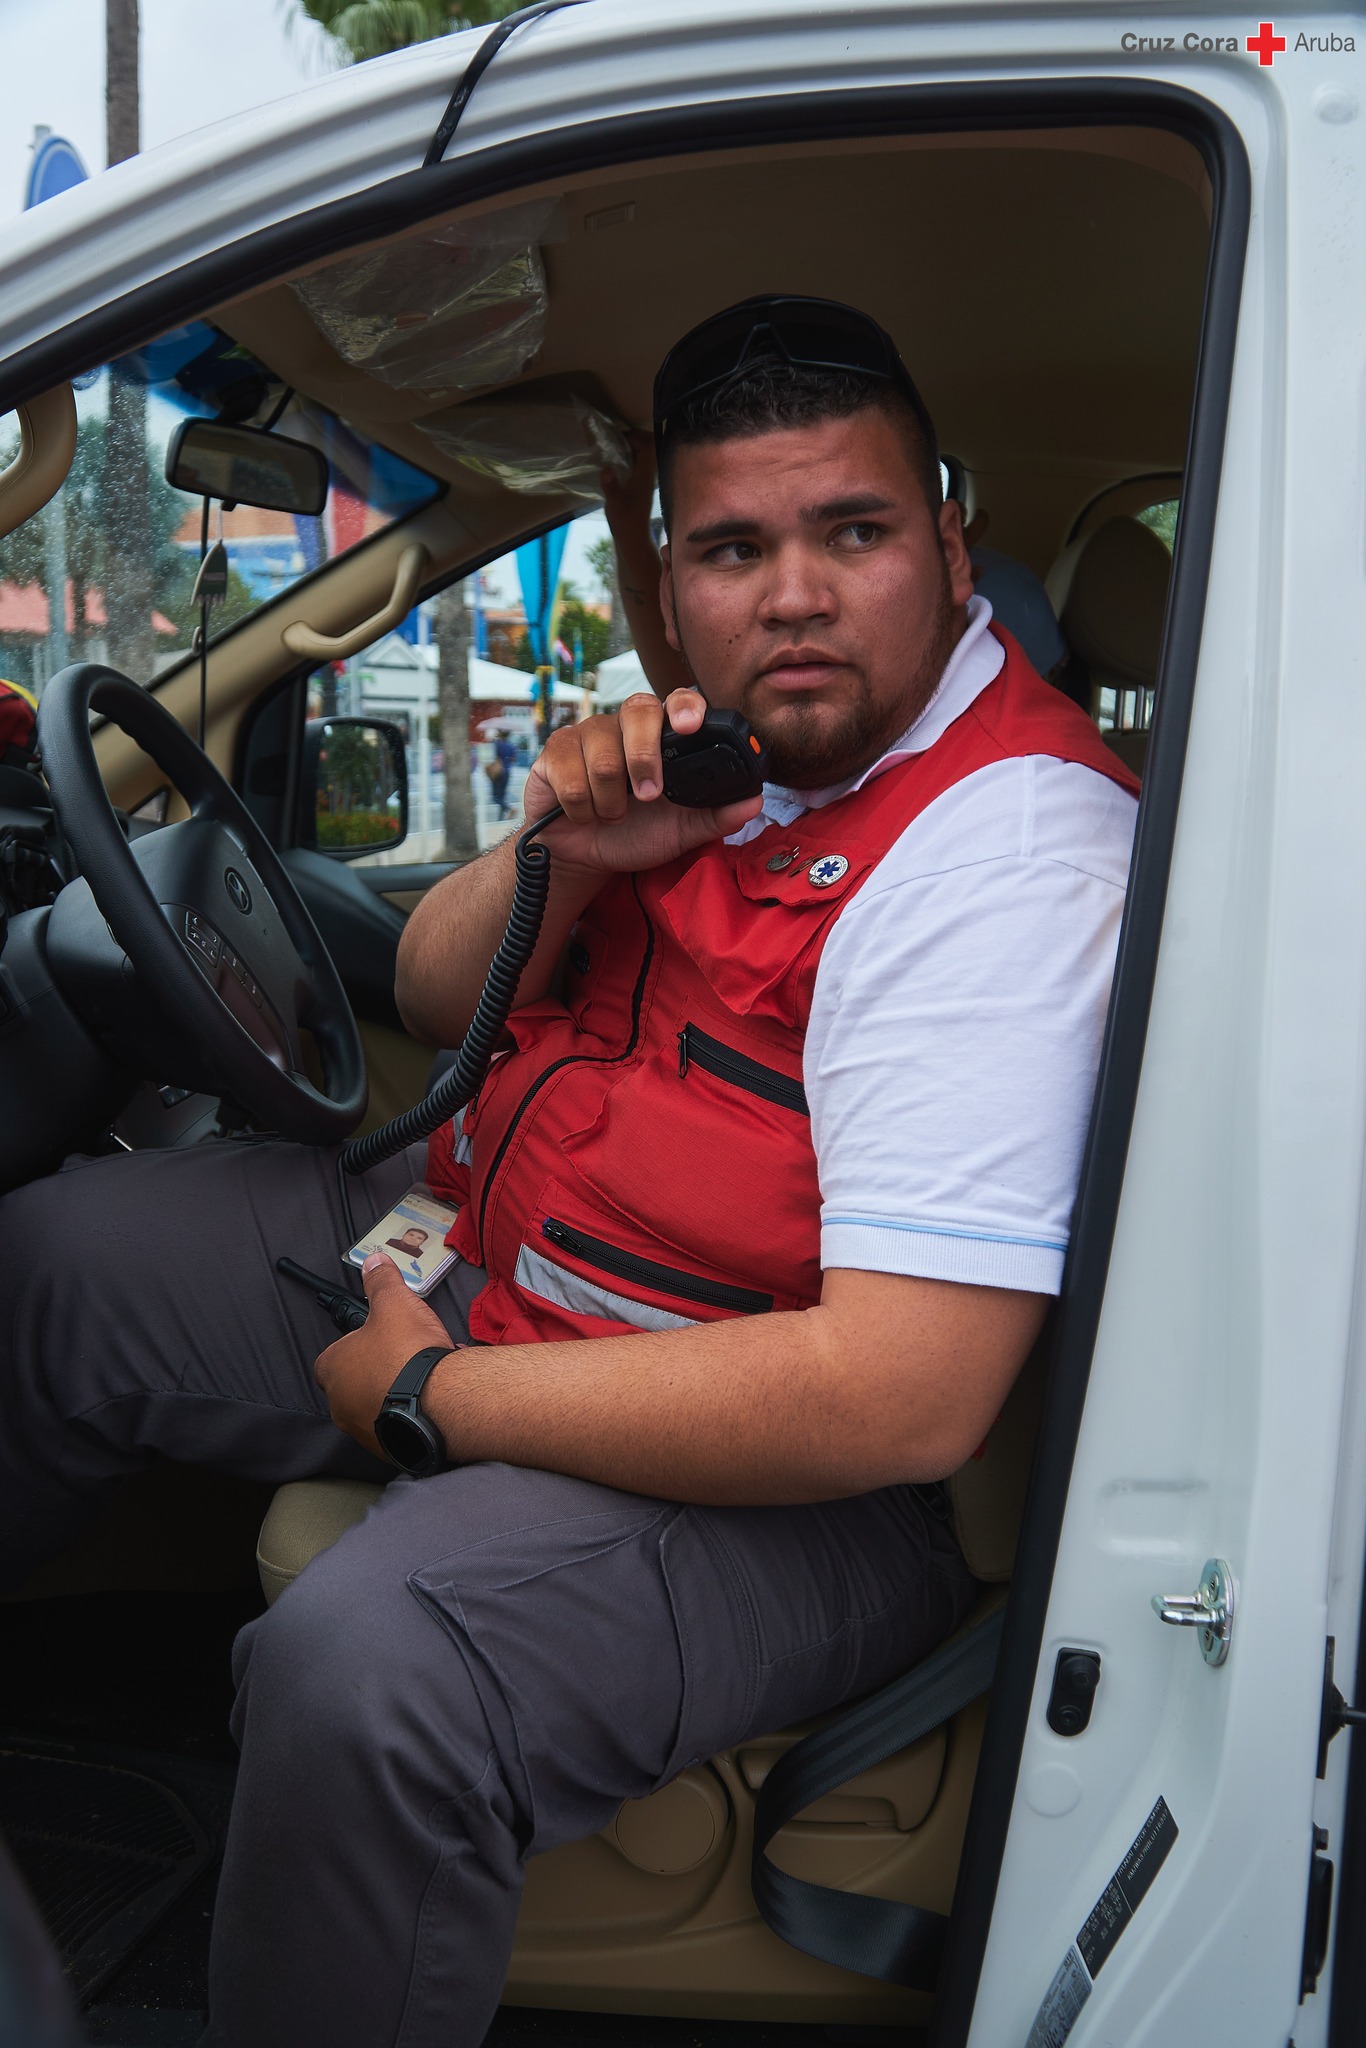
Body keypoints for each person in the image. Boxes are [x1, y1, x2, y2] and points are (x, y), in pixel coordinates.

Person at [0, 296, 1139, 2048]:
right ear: (671, 580)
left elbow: (898, 1397)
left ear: (945, 539)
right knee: (58, 1265)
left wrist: (432, 1397)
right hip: (490, 1246)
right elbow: (434, 992)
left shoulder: (1007, 855)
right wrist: (570, 851)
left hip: (792, 1471)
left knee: (374, 1668)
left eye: (852, 533)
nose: (795, 597)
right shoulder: (726, 755)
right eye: (735, 550)